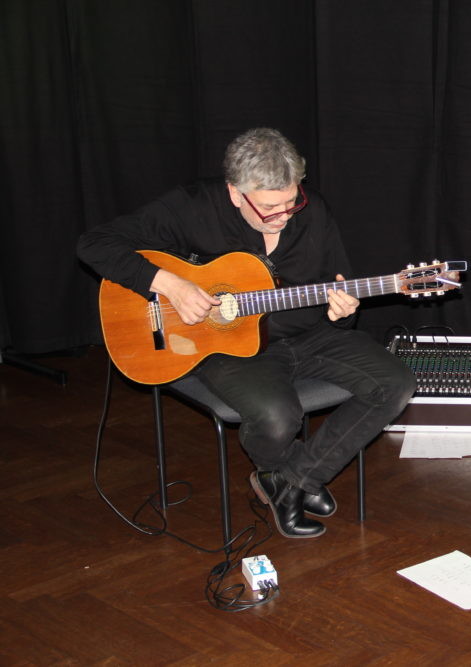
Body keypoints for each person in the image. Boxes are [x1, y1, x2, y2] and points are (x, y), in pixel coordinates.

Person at [78, 127, 417, 539]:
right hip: (227, 348)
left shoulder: (314, 212)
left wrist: (343, 311)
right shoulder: (192, 207)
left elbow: (338, 295)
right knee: (278, 417)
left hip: (308, 335)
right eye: (270, 207)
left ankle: (291, 480)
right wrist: (170, 284)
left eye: (292, 201)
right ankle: (296, 475)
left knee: (395, 383)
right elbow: (95, 243)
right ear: (236, 193)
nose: (284, 215)